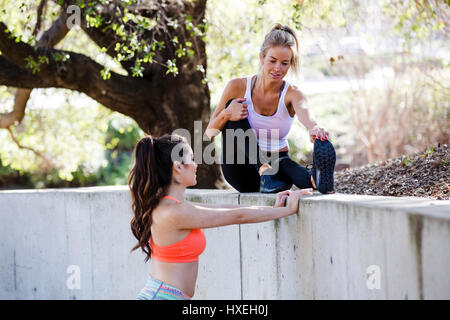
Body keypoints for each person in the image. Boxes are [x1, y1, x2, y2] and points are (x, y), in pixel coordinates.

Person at [129, 134, 312, 300]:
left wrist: (273, 209)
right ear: (178, 167)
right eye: (192, 160)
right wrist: (287, 210)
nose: (196, 165)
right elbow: (237, 216)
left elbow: (229, 208)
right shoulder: (174, 212)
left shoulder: (174, 206)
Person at [205, 23, 336, 194]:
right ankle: (264, 170)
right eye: (272, 61)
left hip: (277, 174)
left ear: (291, 64)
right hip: (241, 171)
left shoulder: (293, 94)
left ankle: (314, 180)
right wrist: (226, 114)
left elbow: (305, 112)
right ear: (262, 57)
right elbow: (210, 133)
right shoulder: (237, 86)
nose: (277, 68)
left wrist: (314, 127)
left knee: (283, 163)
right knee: (232, 108)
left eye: (284, 63)